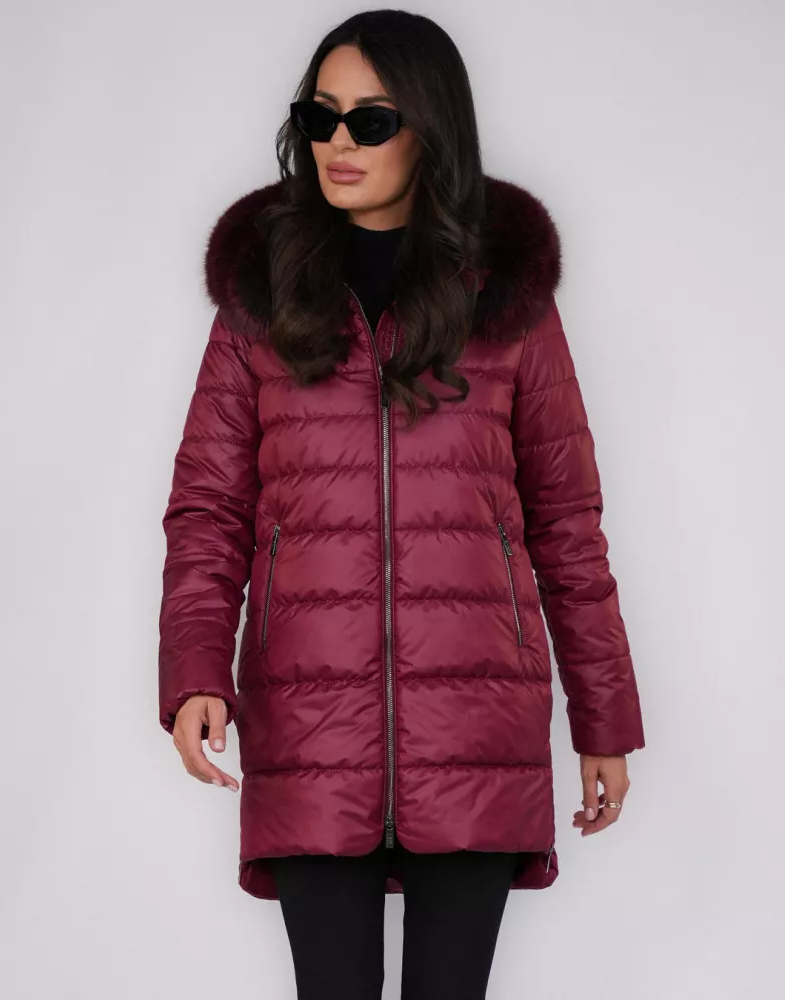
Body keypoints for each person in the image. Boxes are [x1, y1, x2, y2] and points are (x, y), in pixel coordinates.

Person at [157, 9, 645, 999]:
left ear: (430, 128)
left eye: (370, 120)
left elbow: (565, 521)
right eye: (319, 117)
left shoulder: (504, 302)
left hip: (477, 718)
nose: (338, 142)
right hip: (309, 717)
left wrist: (604, 718)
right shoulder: (264, 299)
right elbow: (208, 506)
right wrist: (194, 667)